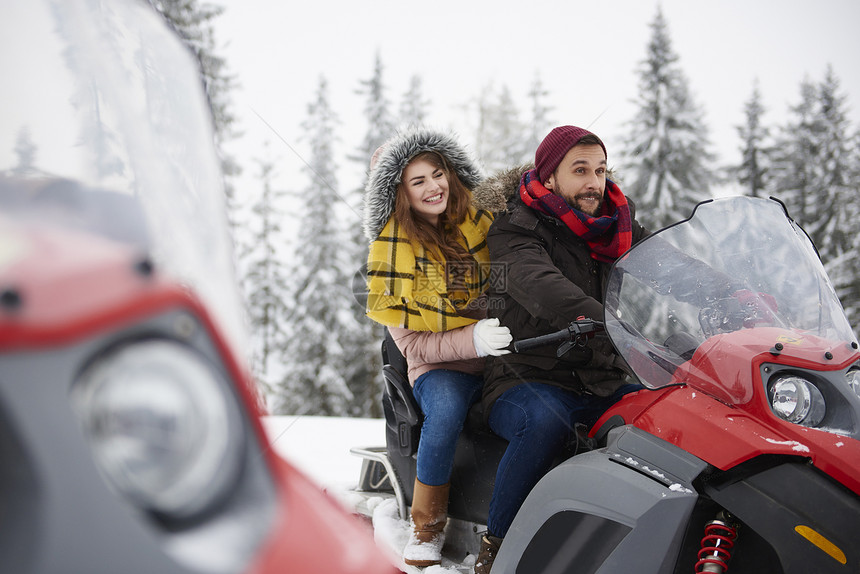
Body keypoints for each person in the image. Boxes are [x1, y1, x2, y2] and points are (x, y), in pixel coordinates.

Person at [474, 126, 649, 573]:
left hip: (601, 379)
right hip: (527, 375)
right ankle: (497, 548)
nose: (595, 182)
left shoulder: (617, 228)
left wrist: (739, 298)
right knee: (545, 420)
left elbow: (671, 267)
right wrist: (611, 323)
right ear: (550, 177)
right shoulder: (514, 229)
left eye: (601, 170)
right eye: (580, 170)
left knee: (668, 414)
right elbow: (540, 284)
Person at [363, 127, 512, 567]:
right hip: (438, 367)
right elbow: (412, 345)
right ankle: (427, 526)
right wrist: (473, 338)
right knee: (444, 411)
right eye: (417, 181)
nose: (433, 187)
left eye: (437, 174)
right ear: (399, 195)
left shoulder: (482, 226)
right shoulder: (393, 256)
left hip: (502, 355)